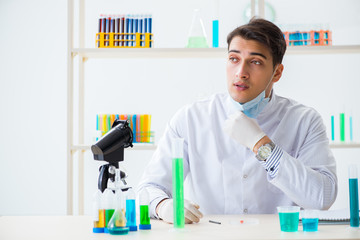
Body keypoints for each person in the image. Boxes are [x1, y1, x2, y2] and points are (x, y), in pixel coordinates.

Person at [137, 18, 338, 224]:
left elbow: (321, 198)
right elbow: (148, 188)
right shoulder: (191, 119)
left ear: (277, 72)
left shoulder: (304, 121)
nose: (241, 73)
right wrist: (163, 205)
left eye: (256, 62)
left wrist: (261, 145)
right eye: (234, 59)